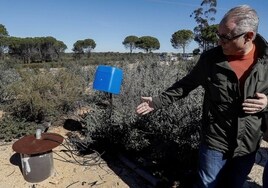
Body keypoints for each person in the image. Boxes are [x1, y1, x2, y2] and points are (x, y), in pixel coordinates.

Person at [136, 5, 268, 188]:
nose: (220, 42)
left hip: (248, 144)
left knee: (235, 185)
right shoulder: (210, 59)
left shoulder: (266, 61)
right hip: (215, 142)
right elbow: (186, 85)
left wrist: (267, 103)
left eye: (226, 37)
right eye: (218, 35)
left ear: (249, 36)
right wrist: (157, 101)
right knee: (207, 185)